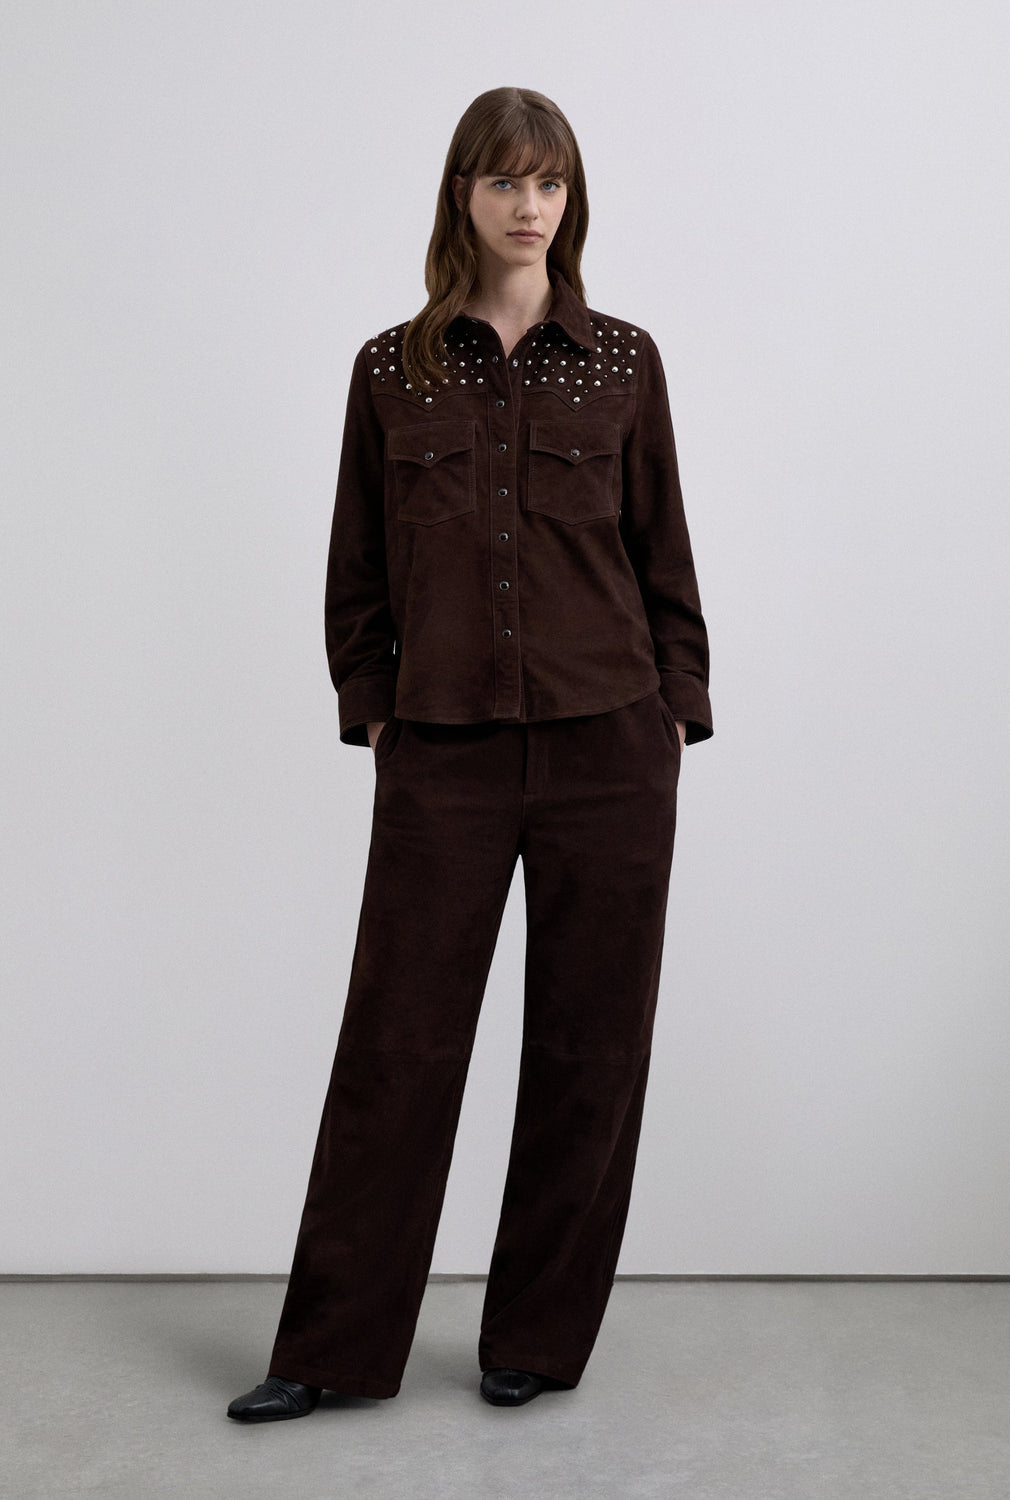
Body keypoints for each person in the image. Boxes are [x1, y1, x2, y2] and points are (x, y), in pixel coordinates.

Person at [227, 84, 712, 1422]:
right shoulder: (393, 369)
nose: (528, 205)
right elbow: (356, 566)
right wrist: (375, 707)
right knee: (397, 1044)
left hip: (610, 745)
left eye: (549, 182)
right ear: (462, 195)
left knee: (589, 1048)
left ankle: (536, 1339)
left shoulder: (623, 362)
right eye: (504, 180)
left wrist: (675, 709)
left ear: (571, 199)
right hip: (441, 749)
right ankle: (330, 1350)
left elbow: (662, 549)